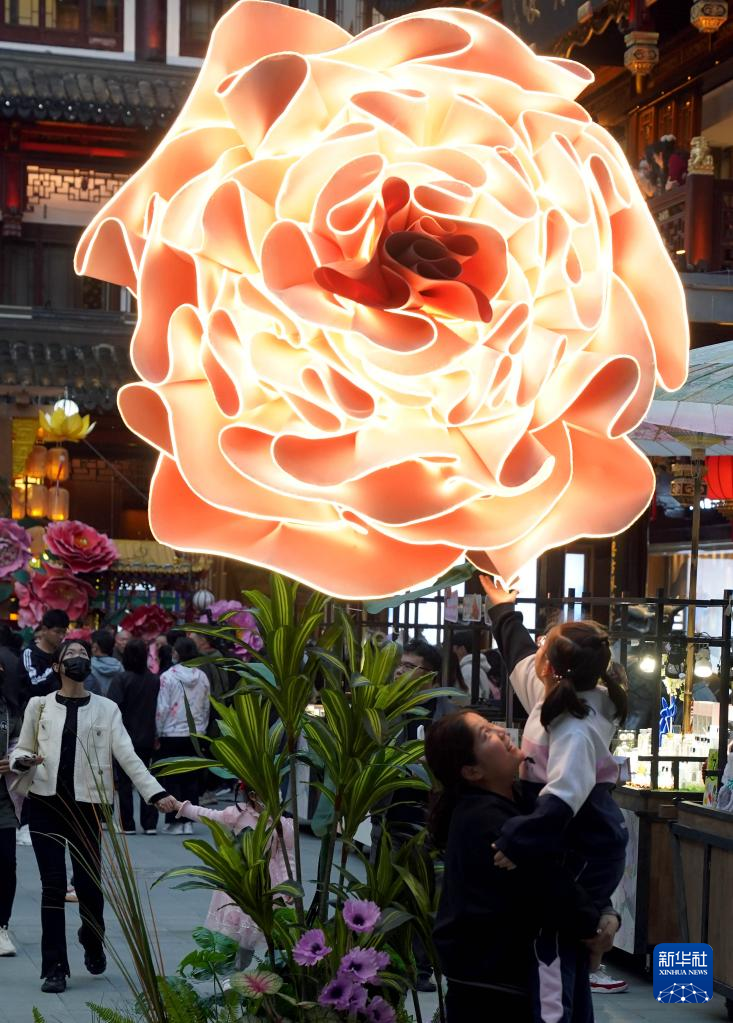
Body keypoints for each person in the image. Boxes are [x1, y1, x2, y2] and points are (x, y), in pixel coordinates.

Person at [480, 576, 630, 1000]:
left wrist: (516, 840)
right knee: (563, 942)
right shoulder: (561, 697)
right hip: (569, 837)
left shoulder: (576, 728)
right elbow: (518, 657)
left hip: (587, 842)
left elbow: (563, 798)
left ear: (549, 667)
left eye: (544, 644)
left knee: (554, 947)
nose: (538, 645)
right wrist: (502, 609)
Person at [426, 711, 620, 1023]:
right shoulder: (487, 822)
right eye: (486, 734)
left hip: (510, 979)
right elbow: (550, 886)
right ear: (472, 771)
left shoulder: (517, 806)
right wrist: (594, 925)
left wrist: (604, 913)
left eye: (492, 725)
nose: (501, 732)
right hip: (497, 989)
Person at [9, 638, 176, 993]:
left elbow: (128, 756)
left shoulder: (106, 709)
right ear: (57, 667)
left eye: (83, 654)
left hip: (87, 808)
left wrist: (156, 793)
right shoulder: (39, 705)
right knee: (53, 886)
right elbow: (21, 748)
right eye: (70, 655)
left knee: (89, 885)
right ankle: (54, 967)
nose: (78, 659)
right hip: (45, 805)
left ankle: (92, 936)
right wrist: (22, 761)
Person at [169, 785, 294, 964]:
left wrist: (289, 884)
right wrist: (180, 806)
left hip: (268, 884)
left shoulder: (282, 824)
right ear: (253, 795)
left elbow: (286, 856)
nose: (277, 795)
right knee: (234, 933)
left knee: (261, 932)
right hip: (240, 882)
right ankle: (229, 969)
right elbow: (209, 815)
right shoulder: (237, 814)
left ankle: (263, 968)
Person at [155, 636, 210, 833]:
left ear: (176, 653)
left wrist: (158, 732)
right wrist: (202, 729)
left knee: (172, 778)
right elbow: (206, 707)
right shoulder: (202, 676)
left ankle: (174, 821)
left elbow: (162, 707)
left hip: (171, 733)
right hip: (195, 733)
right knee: (191, 778)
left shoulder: (167, 677)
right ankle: (189, 821)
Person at [107, 639, 161, 835]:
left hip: (124, 737)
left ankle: (127, 824)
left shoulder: (120, 679)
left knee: (124, 783)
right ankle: (150, 823)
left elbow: (112, 708)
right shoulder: (154, 680)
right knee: (147, 778)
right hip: (148, 735)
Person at [0, 657, 22, 956]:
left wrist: (15, 760)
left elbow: (22, 743)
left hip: (3, 802)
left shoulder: (10, 709)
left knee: (6, 864)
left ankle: (1, 927)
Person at [18, 610, 69, 703]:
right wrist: (56, 667)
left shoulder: (62, 653)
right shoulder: (29, 653)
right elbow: (34, 683)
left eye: (64, 632)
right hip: (36, 709)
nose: (61, 636)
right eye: (57, 632)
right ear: (44, 630)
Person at [451, 629, 501, 701]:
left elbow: (469, 701)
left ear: (462, 649)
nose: (451, 652)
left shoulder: (467, 670)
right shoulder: (474, 667)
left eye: (453, 648)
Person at [87, 630, 123, 697]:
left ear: (95, 646)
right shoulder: (120, 666)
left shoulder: (88, 666)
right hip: (114, 702)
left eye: (91, 643)